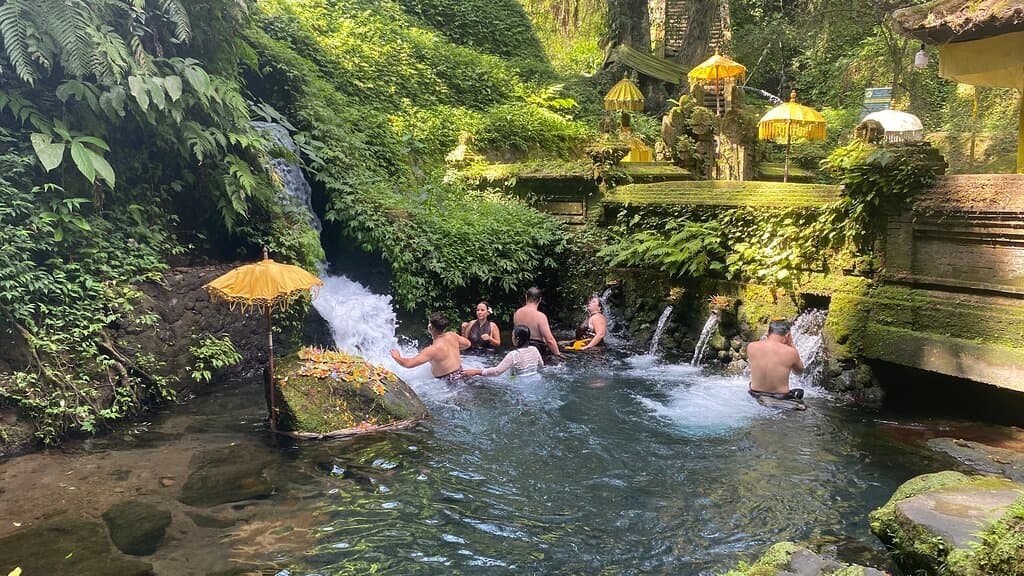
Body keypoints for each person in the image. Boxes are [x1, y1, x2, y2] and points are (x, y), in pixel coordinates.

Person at [390, 313, 471, 382]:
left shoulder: (432, 350)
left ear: (430, 327)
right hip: (461, 374)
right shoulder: (452, 335)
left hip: (447, 382)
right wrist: (453, 349)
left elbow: (408, 364)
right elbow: (468, 344)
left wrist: (396, 356)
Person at [746, 318, 805, 403]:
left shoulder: (751, 346)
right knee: (800, 392)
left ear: (768, 333)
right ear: (787, 336)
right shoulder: (791, 352)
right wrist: (791, 344)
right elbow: (799, 372)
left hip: (755, 394)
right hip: (780, 397)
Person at [464, 325, 543, 378]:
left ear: (517, 339)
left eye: (512, 335)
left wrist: (476, 372)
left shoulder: (513, 355)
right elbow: (541, 365)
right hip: (536, 379)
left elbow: (496, 372)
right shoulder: (534, 349)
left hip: (521, 385)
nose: (512, 338)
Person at [513, 286, 561, 359]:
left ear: (526, 297)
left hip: (521, 350)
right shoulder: (540, 316)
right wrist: (558, 355)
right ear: (540, 299)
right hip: (537, 350)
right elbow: (549, 340)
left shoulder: (517, 313)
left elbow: (515, 336)